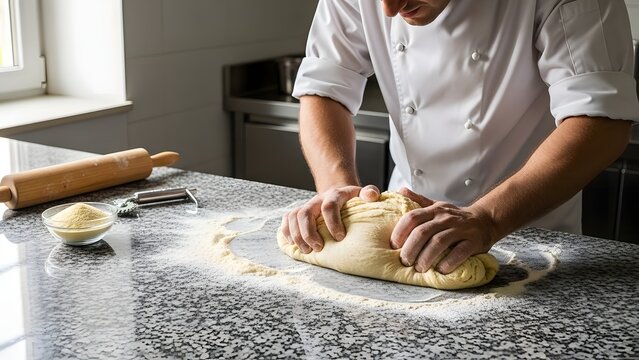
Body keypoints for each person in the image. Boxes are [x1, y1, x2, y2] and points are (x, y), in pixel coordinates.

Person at [280, 0, 639, 275]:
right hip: (400, 234)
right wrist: (338, 192)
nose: (389, 9)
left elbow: (600, 124)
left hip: (529, 237)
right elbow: (325, 88)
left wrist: (488, 219)